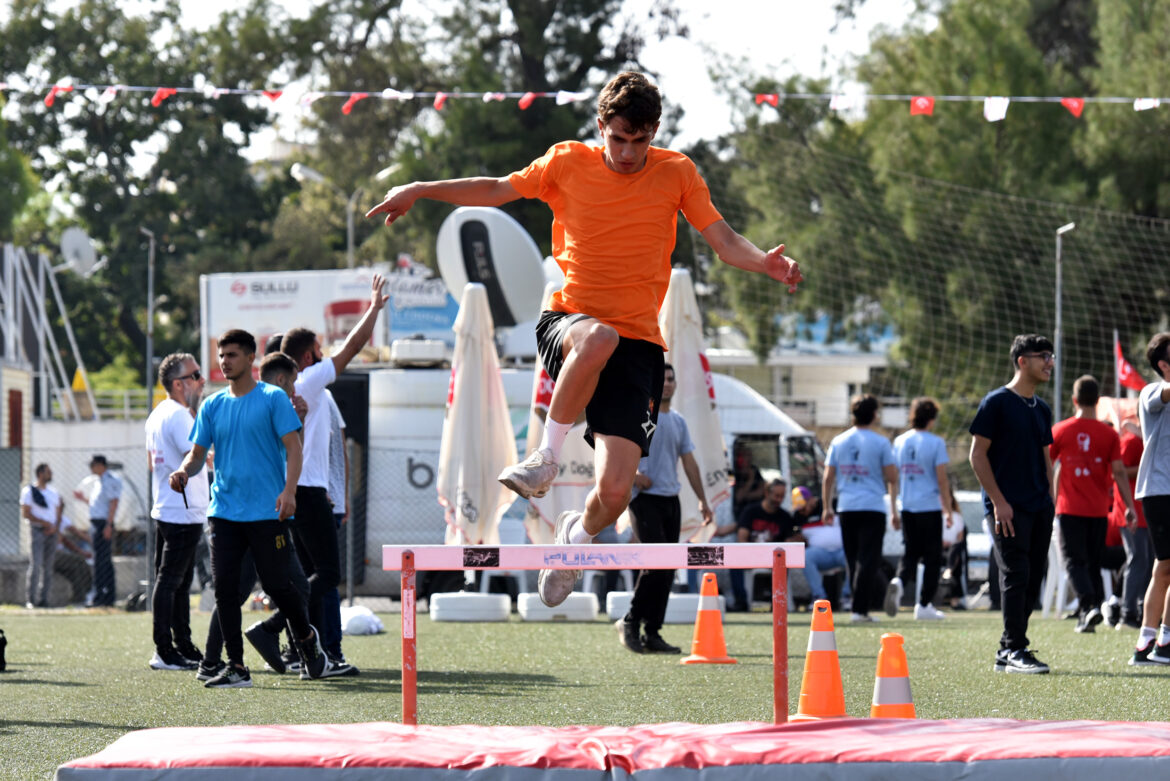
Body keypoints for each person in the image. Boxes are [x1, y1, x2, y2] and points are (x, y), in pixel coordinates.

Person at [366, 71, 802, 609]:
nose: (627, 152)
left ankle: (575, 539)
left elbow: (723, 239)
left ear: (655, 133)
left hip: (640, 343)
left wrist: (767, 265)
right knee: (598, 338)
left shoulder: (677, 172)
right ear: (602, 126)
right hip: (570, 321)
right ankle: (545, 460)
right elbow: (496, 190)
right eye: (618, 139)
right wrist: (421, 189)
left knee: (616, 492)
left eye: (640, 141)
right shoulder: (566, 161)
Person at [169, 329, 328, 688]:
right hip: (223, 512)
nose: (225, 361)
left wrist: (289, 492)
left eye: (233, 355)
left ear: (251, 358)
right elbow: (196, 456)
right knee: (225, 590)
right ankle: (236, 667)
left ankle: (305, 638)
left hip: (267, 512)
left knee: (278, 585)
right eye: (222, 355)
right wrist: (182, 470)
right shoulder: (212, 405)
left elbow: (294, 448)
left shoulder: (273, 398)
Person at [256, 275, 386, 671]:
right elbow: (351, 350)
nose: (326, 353)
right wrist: (374, 310)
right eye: (319, 348)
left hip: (292, 491)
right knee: (326, 574)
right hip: (308, 491)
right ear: (310, 356)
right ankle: (278, 630)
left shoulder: (275, 394)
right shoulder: (309, 382)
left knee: (306, 575)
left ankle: (302, 650)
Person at [969, 334, 1056, 674]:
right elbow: (978, 455)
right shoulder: (996, 402)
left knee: (1034, 577)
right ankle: (1015, 649)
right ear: (1022, 361)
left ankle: (1009, 649)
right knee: (1016, 574)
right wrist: (998, 501)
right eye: (1043, 356)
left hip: (1039, 507)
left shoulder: (1042, 408)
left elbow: (1047, 460)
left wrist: (1051, 500)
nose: (1049, 362)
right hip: (1008, 508)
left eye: (1051, 356)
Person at [617, 363, 713, 655]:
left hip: (671, 500)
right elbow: (611, 452)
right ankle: (630, 622)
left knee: (668, 568)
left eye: (672, 379)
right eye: (664, 379)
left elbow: (690, 463)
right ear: (655, 383)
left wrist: (703, 500)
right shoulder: (638, 415)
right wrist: (633, 475)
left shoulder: (678, 421)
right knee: (655, 563)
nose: (668, 383)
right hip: (643, 500)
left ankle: (653, 632)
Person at [1049, 375, 1137, 634]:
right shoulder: (1109, 433)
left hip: (1069, 508)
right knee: (1093, 561)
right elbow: (1119, 472)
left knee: (1073, 562)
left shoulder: (1061, 430)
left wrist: (1048, 498)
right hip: (1099, 510)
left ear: (1074, 400)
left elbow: (1048, 465)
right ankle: (1093, 609)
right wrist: (1129, 505)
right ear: (1098, 401)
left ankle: (1088, 607)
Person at [144, 352, 210, 671]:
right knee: (172, 581)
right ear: (178, 383)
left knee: (177, 582)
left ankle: (181, 644)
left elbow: (151, 461)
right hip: (182, 510)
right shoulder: (179, 415)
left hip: (169, 507)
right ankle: (165, 649)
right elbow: (195, 457)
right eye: (195, 375)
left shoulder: (159, 413)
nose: (201, 380)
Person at [822, 394, 898, 623]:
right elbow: (893, 478)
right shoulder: (881, 442)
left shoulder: (838, 441)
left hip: (846, 507)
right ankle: (859, 610)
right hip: (873, 507)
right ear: (875, 415)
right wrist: (894, 509)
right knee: (868, 560)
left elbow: (828, 478)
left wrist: (827, 506)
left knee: (852, 559)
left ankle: (858, 606)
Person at [889, 397, 954, 621]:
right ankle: (924, 605)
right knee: (932, 558)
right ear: (932, 418)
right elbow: (942, 479)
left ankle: (898, 581)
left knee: (910, 554)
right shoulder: (935, 443)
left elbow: (892, 479)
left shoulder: (899, 442)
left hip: (907, 507)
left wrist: (893, 510)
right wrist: (947, 509)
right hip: (929, 507)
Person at [1130, 333, 1170, 666]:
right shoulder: (1151, 392)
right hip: (1160, 490)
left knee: (1165, 567)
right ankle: (1149, 644)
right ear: (1163, 366)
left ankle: (1157, 642)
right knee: (1166, 567)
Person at [1114, 413, 1150, 629]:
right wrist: (1147, 466)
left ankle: (1140, 611)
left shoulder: (1144, 440)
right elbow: (1118, 472)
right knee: (1138, 559)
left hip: (1145, 512)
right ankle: (1126, 614)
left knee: (1147, 562)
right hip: (1130, 511)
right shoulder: (1130, 441)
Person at [792, 486, 852, 610]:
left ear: (811, 500)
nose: (802, 512)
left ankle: (847, 596)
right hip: (821, 555)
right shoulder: (798, 517)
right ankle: (819, 598)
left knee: (855, 555)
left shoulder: (831, 504)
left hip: (842, 551)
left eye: (804, 508)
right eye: (800, 509)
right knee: (806, 556)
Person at [73, 454, 121, 607]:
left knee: (102, 562)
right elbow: (99, 506)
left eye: (93, 465)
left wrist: (108, 525)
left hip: (102, 525)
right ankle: (102, 595)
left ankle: (103, 595)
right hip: (97, 523)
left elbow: (114, 503)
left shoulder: (109, 481)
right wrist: (83, 499)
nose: (91, 468)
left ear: (101, 465)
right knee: (100, 560)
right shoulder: (98, 482)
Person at [22, 463, 63, 609]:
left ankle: (44, 599)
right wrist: (43, 523)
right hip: (37, 531)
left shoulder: (53, 492)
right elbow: (26, 512)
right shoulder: (29, 491)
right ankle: (31, 599)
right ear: (40, 474)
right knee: (36, 565)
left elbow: (58, 513)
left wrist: (54, 528)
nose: (51, 474)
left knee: (48, 567)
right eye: (48, 472)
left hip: (51, 533)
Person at [731, 446, 767, 519]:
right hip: (740, 513)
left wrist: (746, 495)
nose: (749, 458)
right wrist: (750, 480)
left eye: (750, 455)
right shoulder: (732, 472)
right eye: (745, 455)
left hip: (756, 510)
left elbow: (762, 492)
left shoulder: (754, 469)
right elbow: (738, 497)